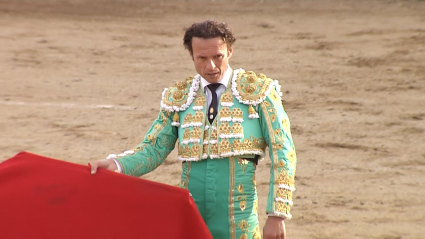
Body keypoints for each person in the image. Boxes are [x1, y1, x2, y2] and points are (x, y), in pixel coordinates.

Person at [91, 20, 297, 239]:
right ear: (192, 56)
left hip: (239, 217)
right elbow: (154, 148)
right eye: (202, 58)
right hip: (190, 214)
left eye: (217, 56)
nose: (211, 66)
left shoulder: (259, 92)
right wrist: (117, 163)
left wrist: (277, 214)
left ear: (229, 50)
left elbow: (283, 151)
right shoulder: (180, 96)